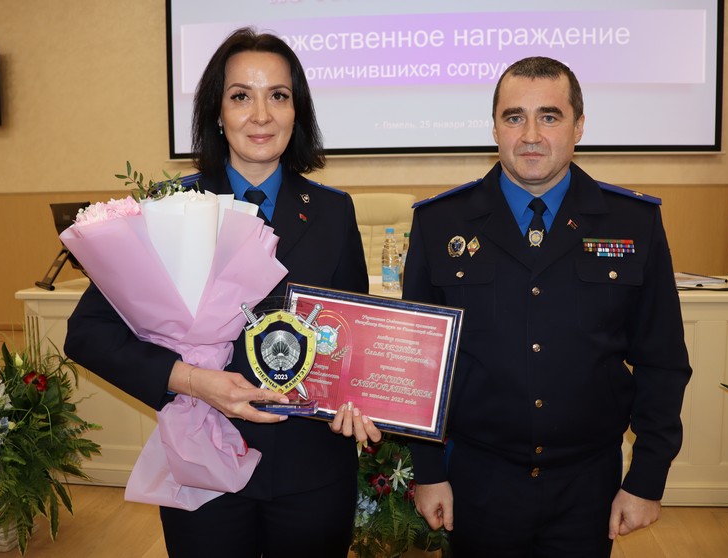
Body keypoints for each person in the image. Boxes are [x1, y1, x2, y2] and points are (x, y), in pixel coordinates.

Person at [65, 28, 380, 558]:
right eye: (240, 96)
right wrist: (193, 381)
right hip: (203, 461)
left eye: (278, 96)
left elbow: (351, 337)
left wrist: (358, 398)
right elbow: (87, 335)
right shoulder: (168, 209)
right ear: (216, 112)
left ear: (297, 111)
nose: (261, 115)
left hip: (311, 469)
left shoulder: (333, 211)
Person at [402, 56, 691, 557]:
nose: (531, 135)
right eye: (514, 117)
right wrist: (428, 472)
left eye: (549, 117)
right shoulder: (440, 223)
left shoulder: (632, 222)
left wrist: (647, 477)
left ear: (579, 126)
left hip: (587, 484)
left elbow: (662, 361)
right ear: (495, 127)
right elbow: (418, 366)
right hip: (478, 479)